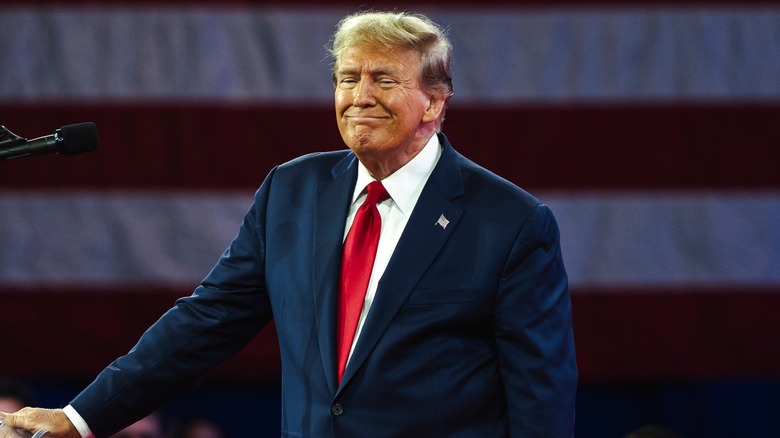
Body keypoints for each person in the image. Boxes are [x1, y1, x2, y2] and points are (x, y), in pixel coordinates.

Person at [0, 10, 577, 437]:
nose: (360, 97)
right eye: (348, 79)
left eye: (384, 79)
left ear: (434, 101)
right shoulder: (292, 191)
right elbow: (206, 322)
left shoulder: (510, 223)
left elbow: (540, 397)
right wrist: (80, 419)